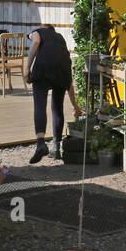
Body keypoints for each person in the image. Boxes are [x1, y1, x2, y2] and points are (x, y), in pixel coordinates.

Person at [25, 23, 82, 163]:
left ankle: (40, 143)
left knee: (40, 104)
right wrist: (75, 106)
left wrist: (27, 68)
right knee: (57, 107)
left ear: (43, 28)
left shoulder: (39, 31)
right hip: (63, 69)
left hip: (43, 67)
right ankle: (56, 148)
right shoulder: (60, 39)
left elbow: (36, 41)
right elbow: (69, 84)